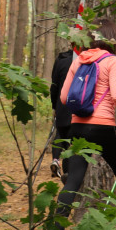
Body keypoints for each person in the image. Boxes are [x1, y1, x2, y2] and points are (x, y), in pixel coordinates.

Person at [55, 18, 116, 230]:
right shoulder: (113, 61)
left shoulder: (79, 61)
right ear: (112, 37)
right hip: (103, 126)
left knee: (73, 179)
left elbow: (64, 98)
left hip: (77, 126)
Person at [49, 45, 75, 178]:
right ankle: (69, 172)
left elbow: (54, 85)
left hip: (61, 105)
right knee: (71, 141)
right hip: (77, 107)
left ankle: (55, 159)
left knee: (60, 133)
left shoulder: (61, 60)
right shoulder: (84, 60)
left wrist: (54, 105)